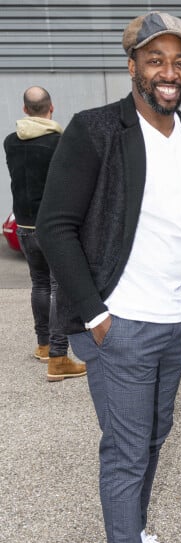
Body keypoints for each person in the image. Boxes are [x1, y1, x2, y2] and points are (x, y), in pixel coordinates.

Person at [36, 11, 181, 543]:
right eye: (155, 59)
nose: (169, 72)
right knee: (126, 451)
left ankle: (132, 536)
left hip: (174, 322)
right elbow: (54, 225)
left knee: (155, 436)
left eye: (179, 60)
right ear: (133, 65)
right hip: (120, 324)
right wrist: (94, 314)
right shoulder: (96, 131)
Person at [4, 87, 87, 382]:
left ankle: (43, 345)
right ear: (51, 108)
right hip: (52, 227)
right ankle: (58, 358)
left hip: (24, 225)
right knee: (58, 289)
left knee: (39, 284)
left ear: (25, 110)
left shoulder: (10, 142)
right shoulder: (60, 143)